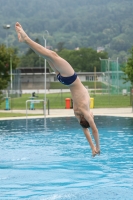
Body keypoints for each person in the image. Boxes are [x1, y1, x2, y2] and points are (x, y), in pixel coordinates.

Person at [15, 22, 100, 157]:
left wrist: (98, 147)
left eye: (91, 119)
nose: (93, 118)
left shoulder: (85, 111)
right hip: (63, 80)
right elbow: (86, 131)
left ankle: (26, 39)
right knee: (47, 55)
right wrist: (92, 148)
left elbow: (94, 130)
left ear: (88, 118)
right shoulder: (78, 114)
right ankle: (25, 40)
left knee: (52, 54)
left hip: (71, 78)